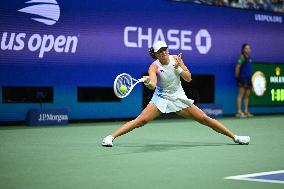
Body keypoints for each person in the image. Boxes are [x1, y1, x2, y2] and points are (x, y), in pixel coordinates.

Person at [102, 41, 250, 147]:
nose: (164, 52)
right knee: (141, 120)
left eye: (165, 49)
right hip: (161, 97)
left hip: (178, 97)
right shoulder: (153, 67)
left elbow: (188, 77)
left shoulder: (176, 59)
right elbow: (153, 84)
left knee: (204, 118)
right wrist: (148, 82)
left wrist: (179, 68)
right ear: (156, 55)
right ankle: (110, 137)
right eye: (161, 51)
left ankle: (235, 137)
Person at [235, 43, 253, 117]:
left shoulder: (249, 58)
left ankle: (245, 111)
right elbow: (237, 67)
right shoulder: (241, 58)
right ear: (243, 50)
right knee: (240, 95)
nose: (248, 49)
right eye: (246, 48)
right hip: (242, 78)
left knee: (247, 95)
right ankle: (239, 111)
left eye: (249, 48)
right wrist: (237, 77)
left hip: (248, 79)